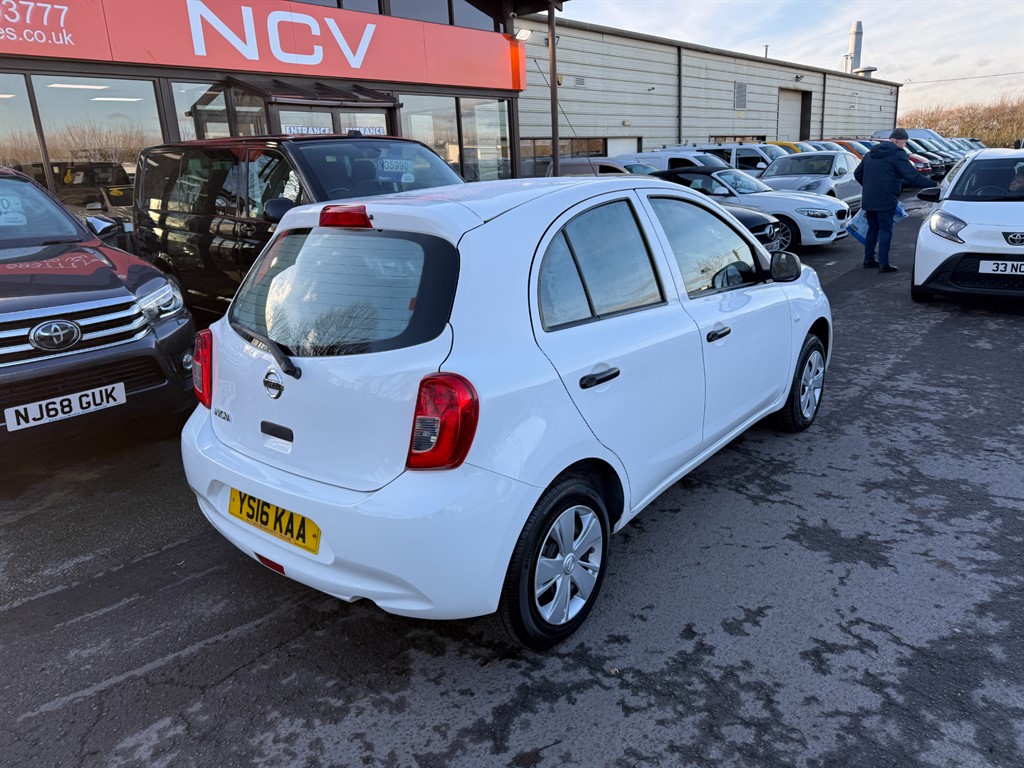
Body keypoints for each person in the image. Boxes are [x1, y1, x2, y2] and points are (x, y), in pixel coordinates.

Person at [853, 127, 938, 273]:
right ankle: (883, 264)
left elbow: (857, 173)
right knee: (886, 229)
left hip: (869, 198)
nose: (904, 145)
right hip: (886, 199)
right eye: (904, 142)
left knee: (872, 229)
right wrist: (935, 185)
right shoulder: (897, 154)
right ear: (898, 140)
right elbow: (912, 177)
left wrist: (869, 187)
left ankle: (868, 259)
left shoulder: (870, 153)